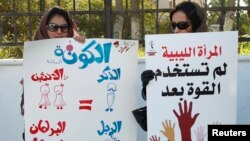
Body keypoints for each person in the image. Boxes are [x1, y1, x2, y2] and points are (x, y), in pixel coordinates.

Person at [132, 1, 208, 132]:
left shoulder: (215, 54)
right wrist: (149, 86)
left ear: (196, 25)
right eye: (174, 26)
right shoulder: (165, 54)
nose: (177, 30)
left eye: (183, 25)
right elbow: (160, 98)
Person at [20, 5, 86, 140]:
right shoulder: (35, 54)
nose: (59, 31)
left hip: (74, 126)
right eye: (53, 27)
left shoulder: (78, 51)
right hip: (44, 127)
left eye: (64, 27)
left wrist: (83, 46)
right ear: (45, 28)